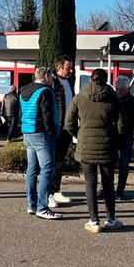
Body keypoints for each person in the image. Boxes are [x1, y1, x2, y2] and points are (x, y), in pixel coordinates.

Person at [65, 68, 126, 233]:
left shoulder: (80, 97)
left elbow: (69, 121)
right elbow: (122, 123)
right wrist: (115, 137)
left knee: (90, 184)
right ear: (106, 80)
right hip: (107, 146)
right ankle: (111, 219)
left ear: (91, 80)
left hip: (86, 147)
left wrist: (80, 134)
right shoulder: (112, 97)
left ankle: (94, 221)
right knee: (108, 184)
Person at [20, 66, 63, 220]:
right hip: (41, 134)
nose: (52, 80)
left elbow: (22, 111)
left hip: (27, 132)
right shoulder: (46, 91)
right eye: (51, 77)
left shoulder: (24, 89)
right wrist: (53, 134)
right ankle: (42, 207)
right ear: (45, 76)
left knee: (31, 169)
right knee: (47, 169)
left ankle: (31, 205)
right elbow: (48, 115)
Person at [49, 55, 75, 207]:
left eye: (71, 67)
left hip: (67, 127)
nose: (70, 70)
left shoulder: (70, 80)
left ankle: (56, 190)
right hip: (56, 127)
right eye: (67, 68)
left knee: (60, 160)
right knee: (51, 161)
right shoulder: (53, 81)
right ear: (59, 67)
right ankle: (49, 193)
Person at [114, 76, 134, 199]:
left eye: (121, 90)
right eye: (117, 89)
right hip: (113, 136)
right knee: (109, 163)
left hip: (127, 136)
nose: (118, 92)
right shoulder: (113, 100)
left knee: (124, 164)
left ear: (127, 89)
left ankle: (120, 190)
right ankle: (107, 188)